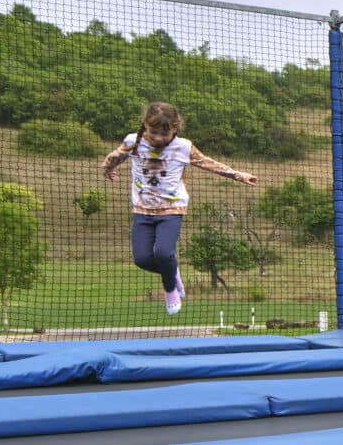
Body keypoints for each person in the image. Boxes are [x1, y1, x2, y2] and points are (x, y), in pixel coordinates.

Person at [101, 102, 258, 316]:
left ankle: (169, 289)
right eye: (153, 132)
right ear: (145, 127)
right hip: (142, 211)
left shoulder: (183, 147)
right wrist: (108, 168)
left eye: (164, 134)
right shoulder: (133, 142)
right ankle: (172, 273)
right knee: (142, 259)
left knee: (164, 252)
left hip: (172, 210)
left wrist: (238, 174)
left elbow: (208, 163)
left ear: (175, 129)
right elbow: (115, 156)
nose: (158, 138)